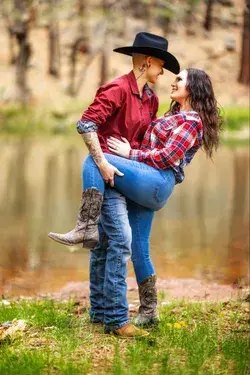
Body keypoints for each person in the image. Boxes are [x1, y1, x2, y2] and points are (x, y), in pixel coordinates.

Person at [49, 32, 180, 337]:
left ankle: (98, 312)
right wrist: (104, 161)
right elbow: (86, 124)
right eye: (160, 65)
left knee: (105, 245)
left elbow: (142, 140)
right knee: (120, 242)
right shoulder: (117, 89)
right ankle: (118, 320)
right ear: (147, 62)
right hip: (105, 179)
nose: (162, 72)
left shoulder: (151, 99)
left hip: (126, 178)